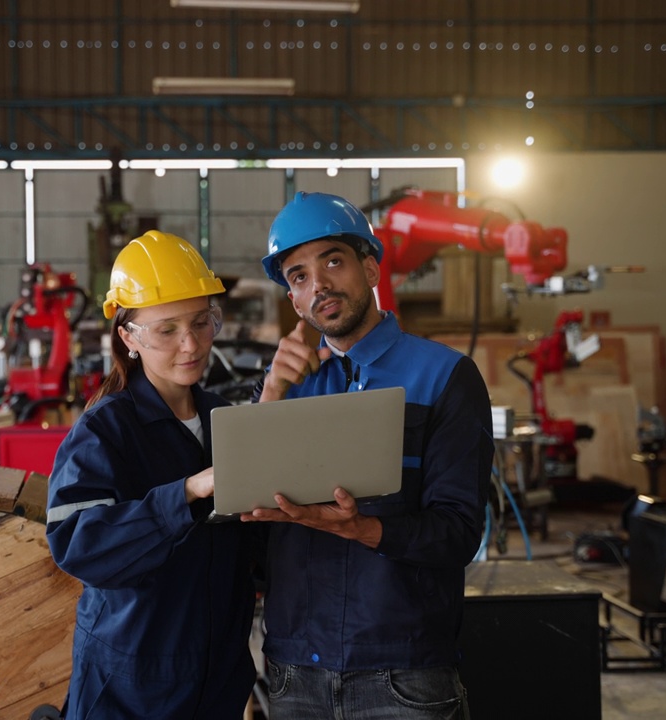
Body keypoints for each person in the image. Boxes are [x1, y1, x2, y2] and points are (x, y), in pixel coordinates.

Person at [246, 191, 494, 719]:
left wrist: (363, 530)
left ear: (372, 267)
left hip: (404, 673)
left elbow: (458, 532)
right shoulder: (282, 390)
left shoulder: (444, 377)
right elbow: (247, 528)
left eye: (333, 261)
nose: (320, 286)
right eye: (299, 276)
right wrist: (269, 400)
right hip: (296, 675)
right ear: (293, 300)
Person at [45, 230, 258, 719]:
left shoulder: (222, 418)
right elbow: (78, 544)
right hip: (130, 688)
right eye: (167, 330)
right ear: (129, 337)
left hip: (217, 682)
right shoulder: (106, 430)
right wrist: (187, 492)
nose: (192, 344)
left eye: (203, 322)